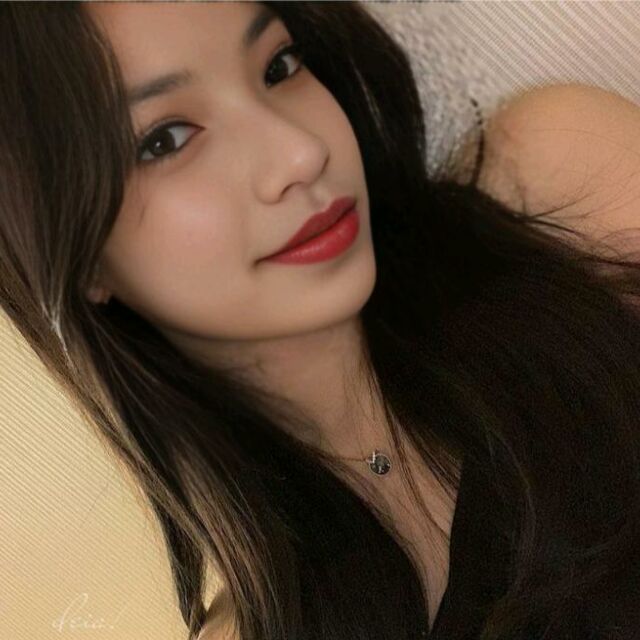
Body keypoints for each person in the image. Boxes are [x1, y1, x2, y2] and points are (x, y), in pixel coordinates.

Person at [3, 2, 640, 639]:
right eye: (165, 139)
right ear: (76, 257)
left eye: (279, 67)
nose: (302, 153)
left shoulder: (558, 190)